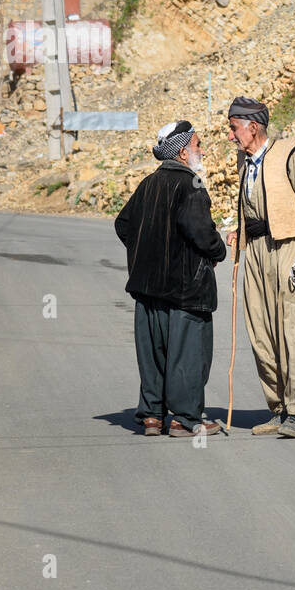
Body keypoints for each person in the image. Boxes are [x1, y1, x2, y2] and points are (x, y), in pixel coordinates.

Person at [115, 120, 226, 437]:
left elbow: (124, 225)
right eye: (197, 145)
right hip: (185, 291)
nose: (201, 151)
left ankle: (152, 416)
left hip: (148, 290)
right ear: (181, 152)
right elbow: (201, 234)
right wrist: (217, 252)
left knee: (154, 354)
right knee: (188, 356)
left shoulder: (148, 184)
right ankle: (184, 419)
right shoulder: (190, 186)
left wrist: (146, 254)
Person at [225, 96, 295, 438]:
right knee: (260, 329)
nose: (230, 136)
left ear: (253, 127)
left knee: (294, 326)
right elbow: (254, 203)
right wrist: (240, 230)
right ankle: (279, 408)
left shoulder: (290, 153)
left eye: (233, 128)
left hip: (290, 248)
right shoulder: (244, 160)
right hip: (255, 250)